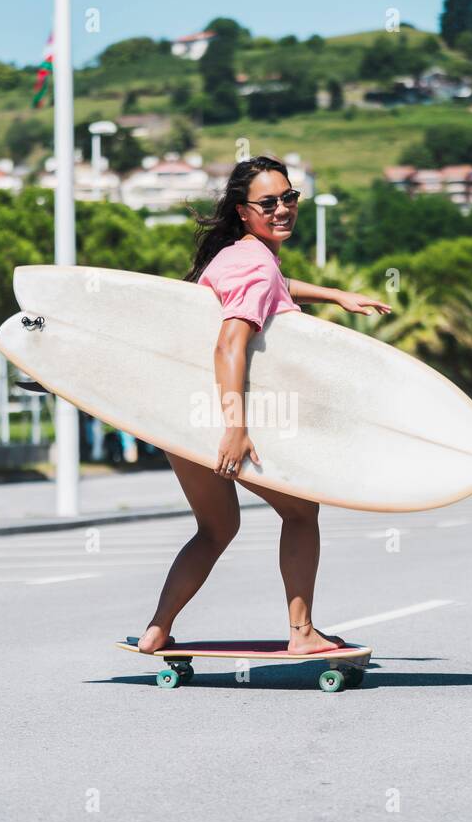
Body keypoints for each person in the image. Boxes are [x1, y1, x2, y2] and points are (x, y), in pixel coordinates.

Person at [137, 156, 391, 655]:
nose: (283, 209)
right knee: (301, 512)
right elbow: (230, 343)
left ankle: (157, 629)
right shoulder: (254, 264)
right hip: (227, 421)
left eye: (289, 198)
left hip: (185, 421)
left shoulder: (237, 258)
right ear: (242, 211)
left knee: (216, 528)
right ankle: (302, 633)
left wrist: (336, 295)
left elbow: (277, 286)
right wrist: (236, 426)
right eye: (269, 203)